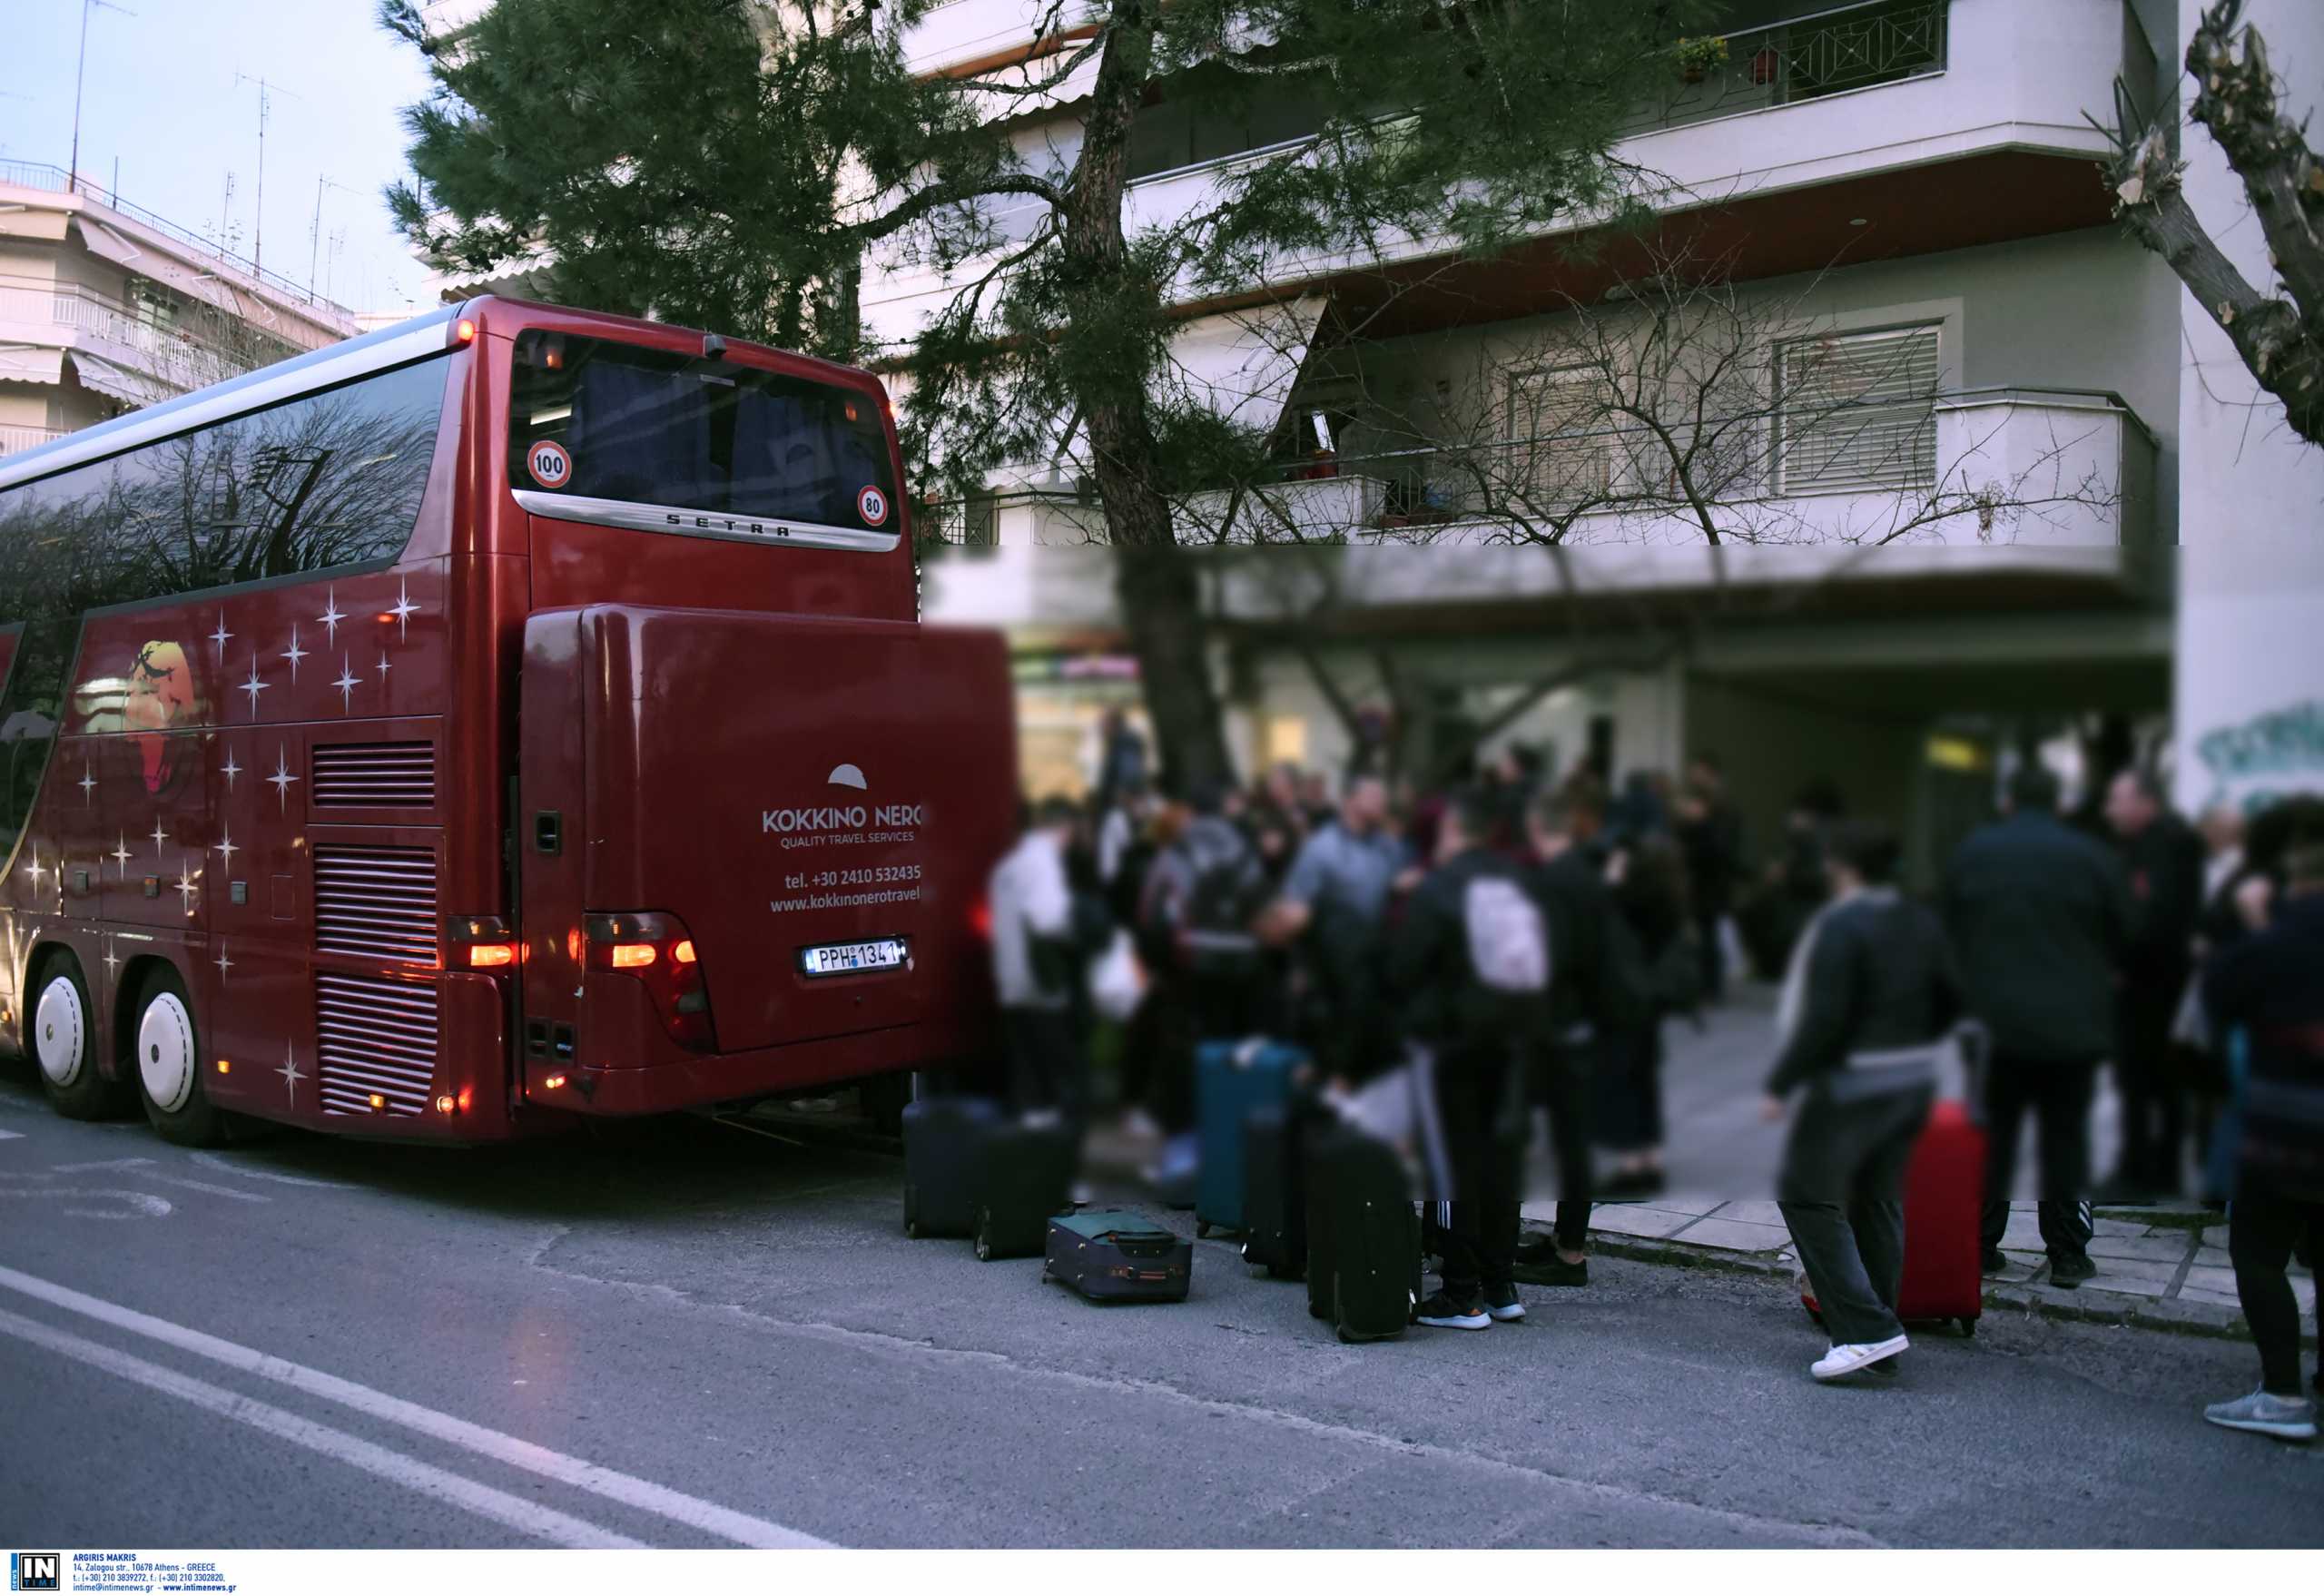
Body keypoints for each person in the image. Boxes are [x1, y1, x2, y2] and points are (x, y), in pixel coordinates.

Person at [1765, 820, 1963, 1382]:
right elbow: (1953, 994)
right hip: (1912, 1075)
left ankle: (1864, 1328)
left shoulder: (1843, 923)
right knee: (1878, 1195)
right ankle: (1882, 1329)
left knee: (1805, 1192)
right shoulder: (1920, 919)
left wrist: (1782, 1084)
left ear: (1842, 866)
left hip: (1854, 1079)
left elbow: (1824, 1019)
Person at [1945, 764, 2130, 1288]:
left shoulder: (1974, 853)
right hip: (2071, 1026)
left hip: (1993, 1024)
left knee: (1994, 1135)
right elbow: (2127, 933)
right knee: (2064, 1137)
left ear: (2008, 802)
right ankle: (2068, 1256)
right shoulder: (2093, 857)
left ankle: (1979, 1247)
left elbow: (1949, 932)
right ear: (2059, 805)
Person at [1392, 786, 1548, 1330]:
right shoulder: (1518, 884)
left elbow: (1406, 966)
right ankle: (1501, 1284)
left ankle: (1462, 1295)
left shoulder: (1440, 887)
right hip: (1511, 1042)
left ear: (1453, 830)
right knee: (1501, 1164)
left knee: (1454, 1167)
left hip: (1453, 1046)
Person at [2198, 803, 2324, 1443]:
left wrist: (2254, 923)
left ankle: (2281, 1394)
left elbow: (2220, 994)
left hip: (2288, 1129)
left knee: (2258, 1253)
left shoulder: (2282, 934)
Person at [1512, 781, 1649, 1286]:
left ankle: (1568, 1255)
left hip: (1564, 1029)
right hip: (1592, 1025)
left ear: (1536, 826)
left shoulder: (1555, 880)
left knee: (1560, 1139)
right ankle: (1564, 1242)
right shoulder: (1585, 875)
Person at [1265, 774, 1413, 1087]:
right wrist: (1299, 964)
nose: (1382, 802)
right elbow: (1295, 906)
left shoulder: (1390, 846)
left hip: (1376, 961)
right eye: (1373, 795)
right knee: (1336, 1043)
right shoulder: (1321, 849)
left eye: (1383, 796)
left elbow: (1396, 886)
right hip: (1333, 967)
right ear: (1349, 802)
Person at [2102, 768, 2208, 1199]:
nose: (2111, 810)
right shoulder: (2157, 843)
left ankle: (2142, 1172)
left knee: (2144, 1080)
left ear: (2147, 802)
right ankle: (2152, 1168)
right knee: (2154, 1083)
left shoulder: (2162, 845)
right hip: (2157, 981)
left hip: (2152, 985)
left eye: (2118, 799)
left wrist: (2120, 962)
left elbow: (2151, 917)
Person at [988, 795, 1097, 1136]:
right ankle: (1063, 1142)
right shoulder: (1044, 862)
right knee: (1057, 1064)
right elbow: (1049, 920)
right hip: (1042, 982)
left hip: (1011, 980)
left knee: (1026, 1068)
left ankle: (1030, 1132)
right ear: (1064, 830)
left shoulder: (1009, 865)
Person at [1676, 754, 1743, 1005]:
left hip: (1711, 879)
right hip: (1701, 878)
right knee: (1703, 933)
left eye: (1699, 772)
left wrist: (1699, 823)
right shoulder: (1704, 803)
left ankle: (1710, 987)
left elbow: (1721, 846)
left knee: (1708, 933)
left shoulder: (1722, 807)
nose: (1694, 777)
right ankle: (1705, 985)